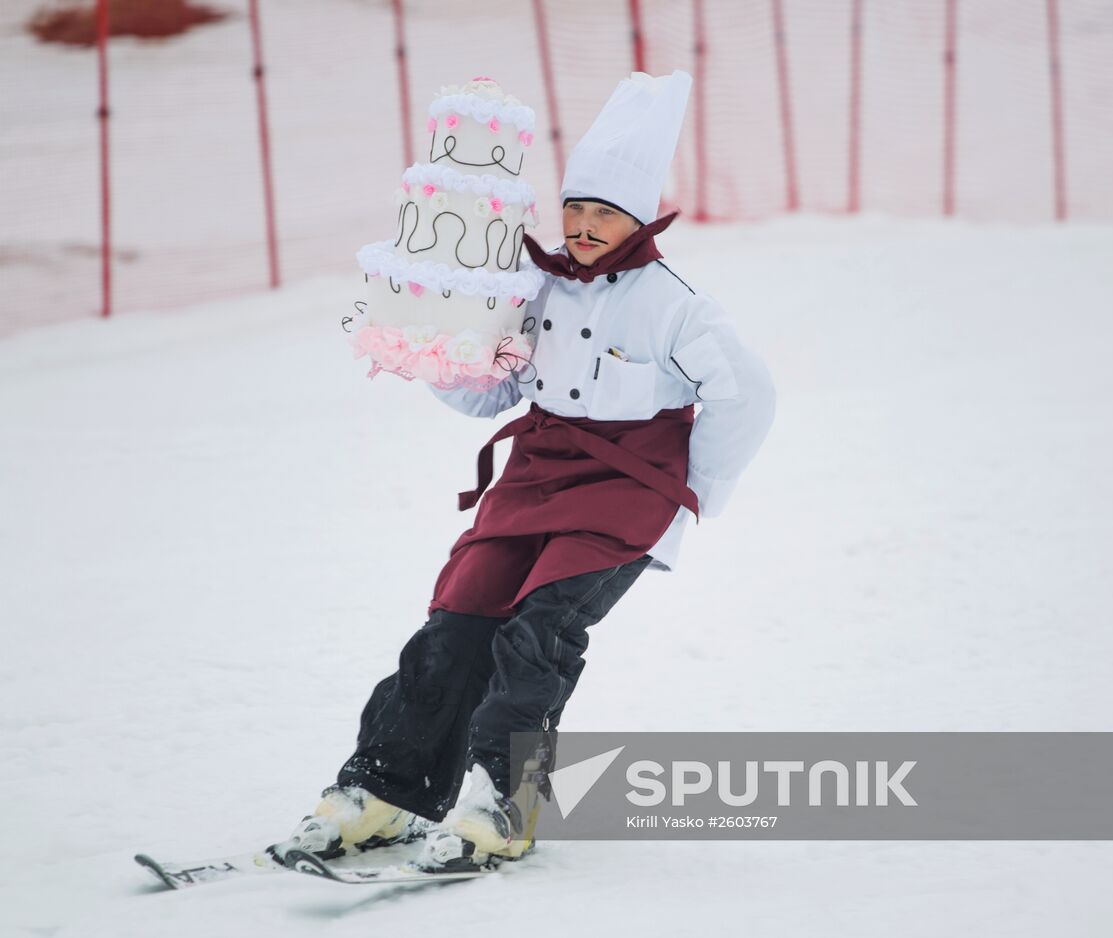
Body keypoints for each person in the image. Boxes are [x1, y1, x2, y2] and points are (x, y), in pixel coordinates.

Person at [289, 70, 776, 870]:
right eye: (576, 208)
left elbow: (747, 395)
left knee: (539, 632)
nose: (584, 226)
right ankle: (385, 793)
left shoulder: (676, 305)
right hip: (533, 476)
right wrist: (439, 355)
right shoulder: (536, 287)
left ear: (640, 217)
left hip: (626, 491)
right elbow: (496, 394)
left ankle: (500, 805)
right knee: (455, 622)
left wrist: (699, 490)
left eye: (606, 213)